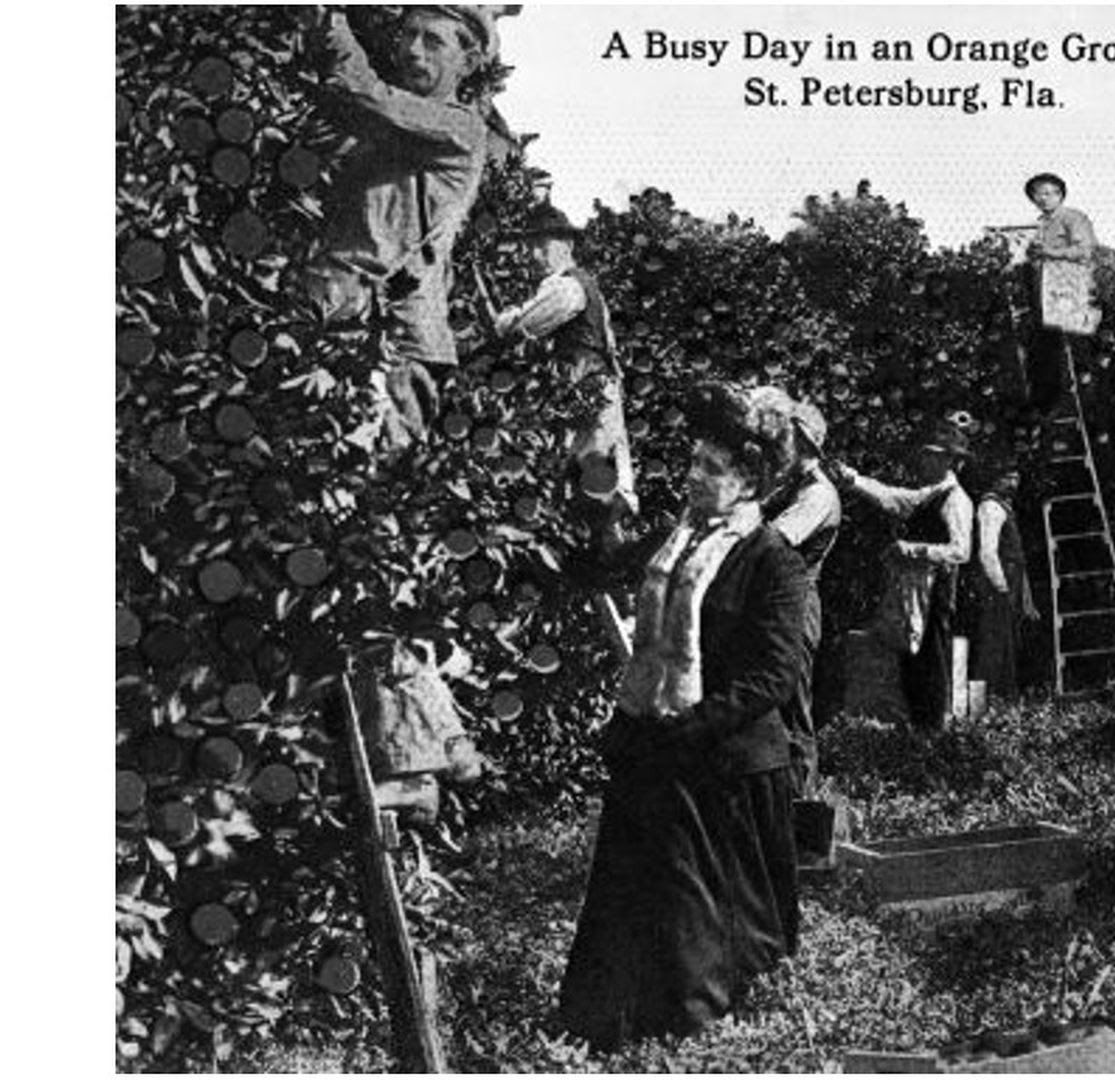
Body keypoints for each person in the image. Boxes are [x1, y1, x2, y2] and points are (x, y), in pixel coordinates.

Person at [557, 383, 808, 1048]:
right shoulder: (675, 546)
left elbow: (773, 676)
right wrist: (580, 502)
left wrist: (690, 729)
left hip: (725, 761)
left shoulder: (770, 559)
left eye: (711, 468)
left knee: (702, 905)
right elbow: (599, 566)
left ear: (750, 479)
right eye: (691, 463)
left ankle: (695, 1030)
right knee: (637, 886)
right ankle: (613, 1022)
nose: (693, 478)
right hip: (663, 746)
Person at [302, 6, 494, 453]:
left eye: (433, 41)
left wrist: (329, 19)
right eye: (407, 35)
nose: (412, 51)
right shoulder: (393, 129)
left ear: (466, 62)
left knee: (368, 477)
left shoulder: (459, 128)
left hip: (396, 338)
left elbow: (368, 95)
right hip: (338, 310)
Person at [488, 203, 638, 547]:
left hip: (586, 393)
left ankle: (609, 562)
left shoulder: (565, 287)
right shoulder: (588, 286)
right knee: (595, 486)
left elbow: (525, 325)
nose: (535, 254)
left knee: (591, 489)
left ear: (566, 246)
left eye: (543, 245)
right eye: (531, 246)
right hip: (596, 391)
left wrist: (501, 321)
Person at [828, 413, 976, 730]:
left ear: (948, 461)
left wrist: (913, 550)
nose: (923, 460)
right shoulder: (929, 494)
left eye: (931, 455)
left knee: (930, 657)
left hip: (937, 587)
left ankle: (932, 729)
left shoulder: (956, 500)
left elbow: (961, 550)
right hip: (916, 586)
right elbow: (894, 498)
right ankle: (917, 728)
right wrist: (853, 479)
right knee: (911, 652)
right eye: (924, 454)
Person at [753, 391, 842, 794]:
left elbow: (772, 543)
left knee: (791, 705)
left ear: (801, 441)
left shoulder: (817, 495)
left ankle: (802, 804)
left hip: (795, 605)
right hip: (774, 604)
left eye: (783, 438)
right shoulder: (790, 486)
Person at [1019, 172, 1098, 421]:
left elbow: (1084, 250)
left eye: (1047, 193)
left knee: (1065, 344)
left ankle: (1063, 399)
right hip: (1044, 287)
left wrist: (1050, 252)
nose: (1041, 199)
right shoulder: (1041, 224)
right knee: (1042, 343)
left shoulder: (1073, 218)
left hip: (1067, 284)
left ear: (1060, 194)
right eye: (1036, 195)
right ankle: (1044, 401)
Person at [966, 467, 1039, 699]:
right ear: (996, 479)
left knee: (1007, 642)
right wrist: (1000, 586)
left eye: (1017, 477)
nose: (1014, 482)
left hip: (1011, 582)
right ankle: (982, 704)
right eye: (1009, 477)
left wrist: (1023, 595)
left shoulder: (1005, 506)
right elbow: (988, 552)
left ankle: (1003, 699)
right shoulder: (990, 507)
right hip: (997, 585)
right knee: (993, 643)